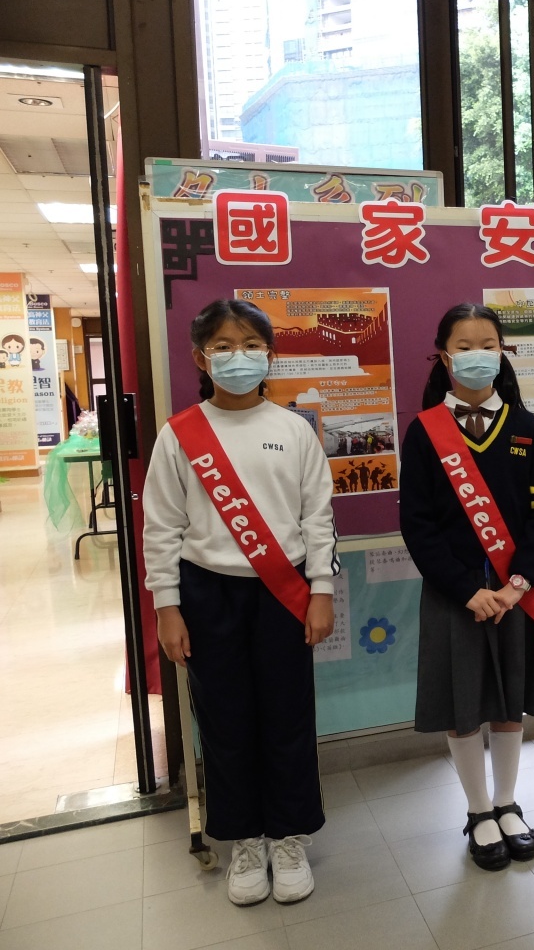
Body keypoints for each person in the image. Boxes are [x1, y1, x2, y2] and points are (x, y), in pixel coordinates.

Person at [142, 298, 338, 905]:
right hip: (208, 593)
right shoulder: (180, 434)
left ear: (269, 354)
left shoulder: (294, 430)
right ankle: (245, 842)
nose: (239, 356)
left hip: (284, 593)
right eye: (223, 346)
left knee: (288, 717)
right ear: (201, 358)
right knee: (224, 722)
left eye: (252, 344)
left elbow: (317, 519)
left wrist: (322, 592)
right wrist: (167, 607)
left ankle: (288, 837)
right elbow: (161, 527)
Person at [399, 303, 534, 872]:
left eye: (487, 345)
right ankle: (477, 809)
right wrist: (466, 589)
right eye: (464, 346)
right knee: (462, 703)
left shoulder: (527, 428)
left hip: (514, 595)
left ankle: (507, 802)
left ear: (502, 352)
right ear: (444, 356)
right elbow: (416, 524)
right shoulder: (424, 432)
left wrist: (517, 584)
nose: (477, 356)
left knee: (510, 700)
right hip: (455, 596)